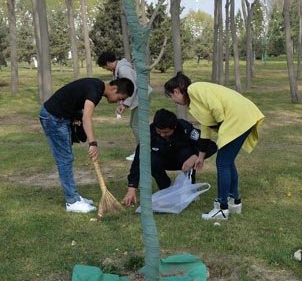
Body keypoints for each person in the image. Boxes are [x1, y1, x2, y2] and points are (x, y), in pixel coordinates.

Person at [164, 72, 265, 220]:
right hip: (241, 116)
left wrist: (222, 127)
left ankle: (222, 208)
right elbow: (206, 128)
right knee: (227, 162)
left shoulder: (194, 89)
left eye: (171, 96)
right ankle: (234, 202)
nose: (173, 100)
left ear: (177, 91)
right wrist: (201, 157)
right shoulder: (193, 104)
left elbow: (216, 108)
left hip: (237, 117)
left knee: (223, 163)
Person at [39, 78, 134, 213]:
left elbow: (76, 102)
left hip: (59, 117)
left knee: (67, 158)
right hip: (53, 119)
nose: (117, 101)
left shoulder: (96, 86)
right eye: (120, 98)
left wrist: (75, 116)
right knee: (64, 159)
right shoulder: (96, 90)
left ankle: (75, 197)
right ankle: (72, 202)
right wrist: (93, 143)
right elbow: (87, 118)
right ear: (114, 89)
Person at [122, 108, 217, 206]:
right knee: (150, 159)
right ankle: (166, 189)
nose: (162, 135)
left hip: (184, 160)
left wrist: (196, 157)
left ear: (174, 127)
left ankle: (189, 188)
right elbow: (138, 159)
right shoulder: (149, 133)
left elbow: (211, 146)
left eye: (166, 132)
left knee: (186, 152)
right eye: (159, 132)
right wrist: (132, 188)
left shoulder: (185, 128)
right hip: (162, 160)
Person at [97, 51, 152, 161]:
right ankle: (142, 150)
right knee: (135, 124)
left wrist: (125, 104)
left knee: (136, 125)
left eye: (104, 66)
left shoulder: (123, 70)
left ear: (108, 63)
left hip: (142, 96)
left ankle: (143, 152)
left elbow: (132, 88)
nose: (105, 69)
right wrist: (123, 103)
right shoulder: (118, 69)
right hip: (138, 97)